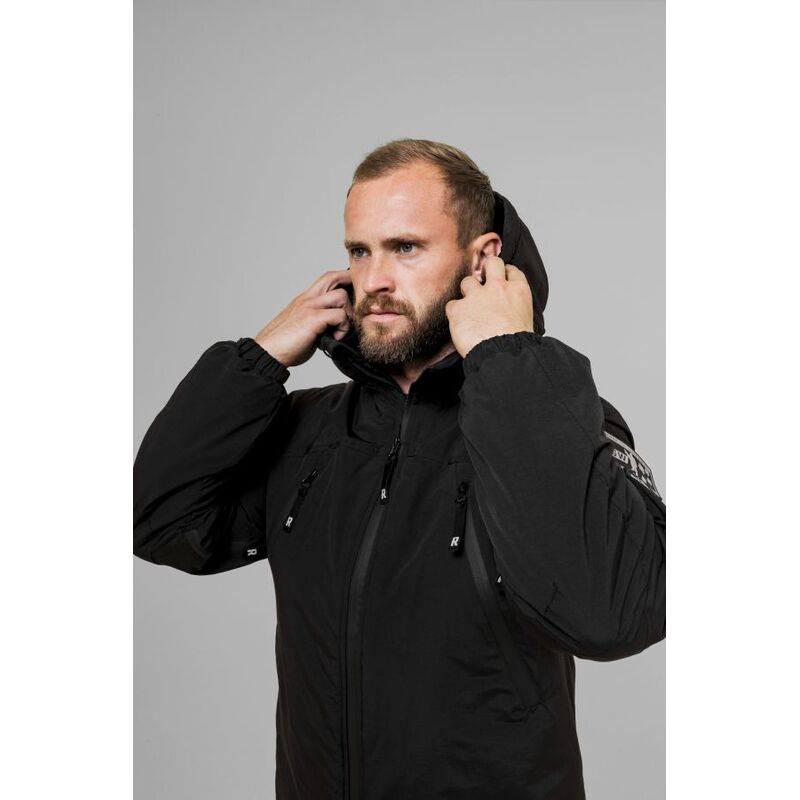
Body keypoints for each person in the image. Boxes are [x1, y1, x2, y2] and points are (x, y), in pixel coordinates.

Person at [133, 138, 666, 799]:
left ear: (483, 259)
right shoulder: (309, 430)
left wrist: (507, 355)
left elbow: (612, 614)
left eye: (405, 247)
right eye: (360, 251)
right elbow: (157, 519)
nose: (374, 280)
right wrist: (257, 360)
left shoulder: (553, 418)